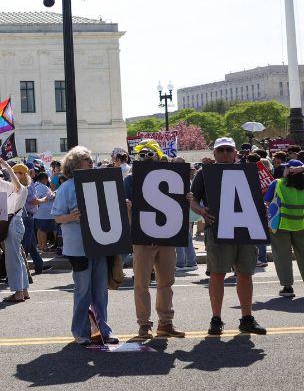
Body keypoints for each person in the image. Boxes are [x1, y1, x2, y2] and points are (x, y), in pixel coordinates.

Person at [188, 137, 267, 336]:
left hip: (246, 229)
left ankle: (247, 318)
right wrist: (202, 212)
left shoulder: (248, 171)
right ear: (214, 153)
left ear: (235, 153)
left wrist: (263, 207)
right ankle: (216, 318)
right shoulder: (204, 174)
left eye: (228, 150)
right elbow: (192, 199)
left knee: (245, 274)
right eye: (220, 150)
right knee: (217, 274)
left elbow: (262, 195)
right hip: (217, 229)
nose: (224, 153)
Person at [52, 146, 118, 346]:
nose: (91, 162)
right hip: (78, 247)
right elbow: (56, 217)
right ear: (75, 164)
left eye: (90, 159)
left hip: (99, 243)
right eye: (86, 159)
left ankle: (103, 329)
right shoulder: (66, 188)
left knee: (100, 290)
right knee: (83, 290)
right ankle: (81, 332)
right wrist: (70, 217)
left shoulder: (97, 184)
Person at [121, 154, 186, 339]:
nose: (148, 159)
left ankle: (165, 322)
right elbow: (122, 206)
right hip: (142, 239)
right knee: (141, 283)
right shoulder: (130, 180)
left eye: (152, 155)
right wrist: (126, 206)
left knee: (166, 282)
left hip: (166, 238)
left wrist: (187, 197)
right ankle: (144, 323)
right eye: (144, 155)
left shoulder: (170, 177)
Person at [267, 160, 304, 297]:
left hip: (280, 225)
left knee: (282, 256)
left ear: (289, 170)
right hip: (301, 224)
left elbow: (267, 202)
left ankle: (288, 287)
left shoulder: (277, 183)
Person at [0, 160, 29, 303]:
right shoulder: (11, 187)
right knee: (18, 258)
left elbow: (16, 183)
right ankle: (23, 290)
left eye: (18, 173)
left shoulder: (22, 188)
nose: (14, 174)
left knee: (13, 260)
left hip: (14, 223)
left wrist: (7, 167)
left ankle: (18, 293)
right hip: (13, 223)